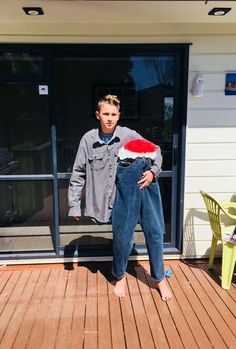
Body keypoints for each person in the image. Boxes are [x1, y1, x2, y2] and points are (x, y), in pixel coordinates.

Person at [68, 94, 172, 301]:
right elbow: (78, 172)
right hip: (116, 200)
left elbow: (156, 150)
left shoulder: (128, 135)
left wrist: (153, 173)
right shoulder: (88, 140)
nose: (110, 118)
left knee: (155, 234)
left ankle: (160, 279)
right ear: (98, 115)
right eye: (105, 114)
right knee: (123, 241)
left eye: (114, 114)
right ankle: (120, 276)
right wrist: (74, 205)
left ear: (119, 116)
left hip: (140, 190)